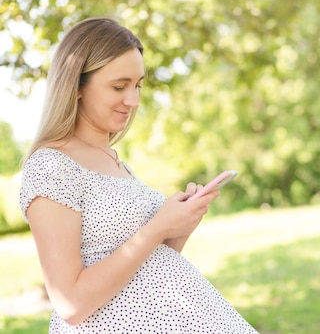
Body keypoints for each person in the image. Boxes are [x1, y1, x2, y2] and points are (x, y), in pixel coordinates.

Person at [19, 17, 258, 333]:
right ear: (77, 85)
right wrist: (157, 228)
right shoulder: (51, 166)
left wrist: (179, 227)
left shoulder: (115, 161)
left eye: (138, 85)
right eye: (119, 86)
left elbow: (143, 267)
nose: (132, 100)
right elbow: (71, 303)